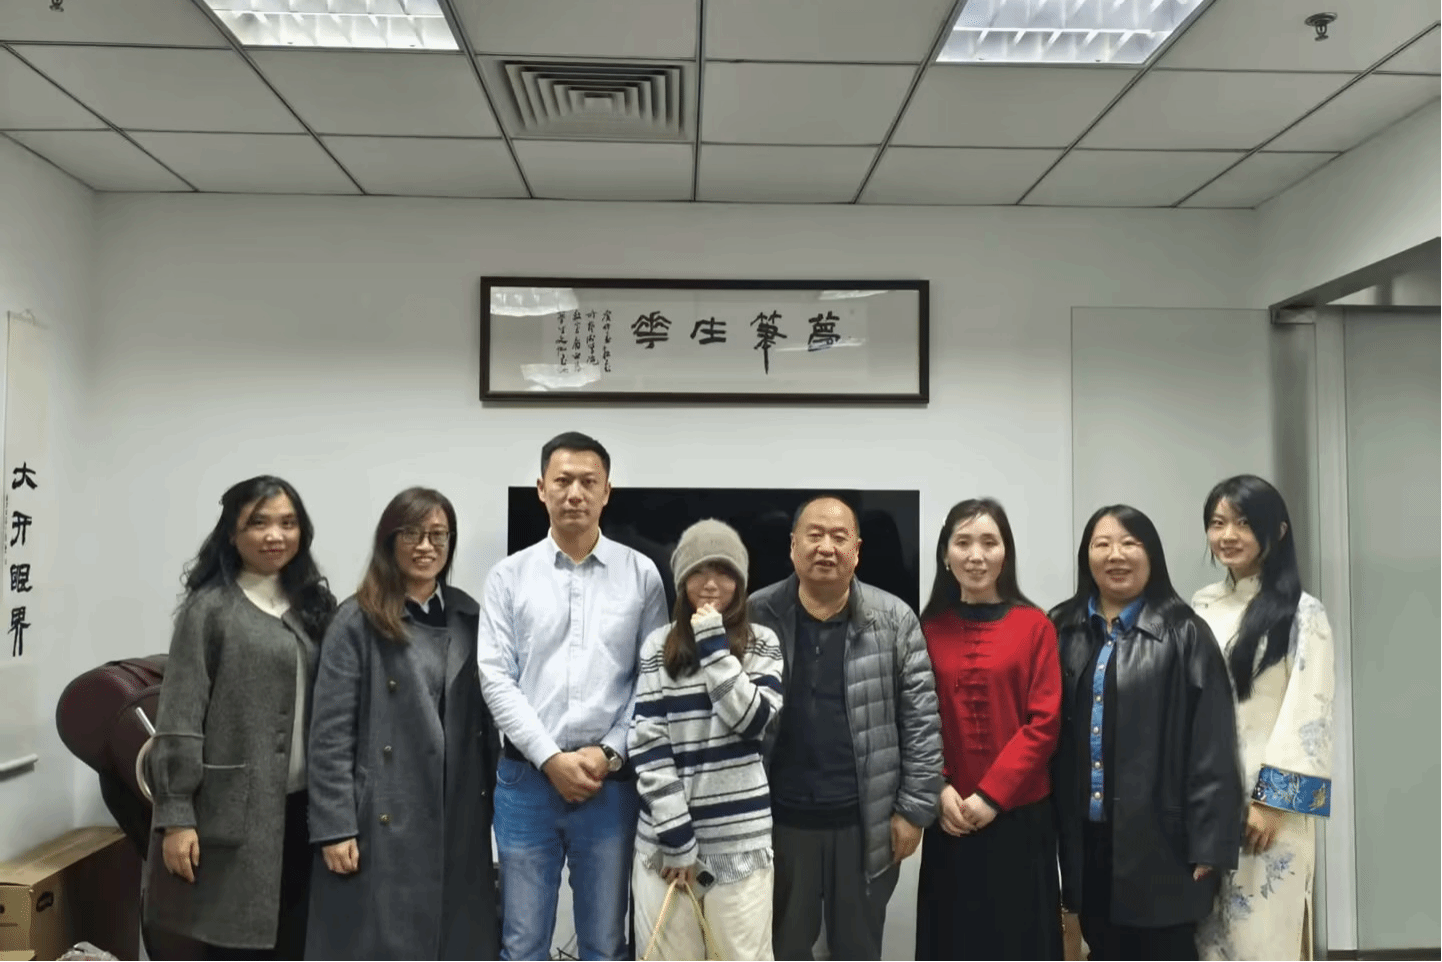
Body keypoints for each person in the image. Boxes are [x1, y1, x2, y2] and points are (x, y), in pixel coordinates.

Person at [478, 431, 668, 961]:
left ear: (608, 491)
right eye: (562, 481)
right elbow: (495, 678)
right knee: (522, 943)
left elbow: (651, 679)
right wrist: (550, 758)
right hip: (525, 782)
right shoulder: (508, 577)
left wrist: (609, 753)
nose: (575, 493)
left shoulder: (642, 575)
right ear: (541, 489)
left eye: (588, 482)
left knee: (605, 944)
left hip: (608, 786)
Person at [144, 475, 336, 960]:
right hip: (233, 814)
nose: (275, 535)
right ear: (232, 533)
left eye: (288, 523)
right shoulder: (209, 609)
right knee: (237, 946)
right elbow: (180, 716)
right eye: (259, 523)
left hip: (305, 810)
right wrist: (175, 817)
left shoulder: (314, 607)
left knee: (299, 940)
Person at [306, 487, 500, 959]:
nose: (426, 546)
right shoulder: (357, 619)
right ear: (389, 540)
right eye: (412, 533)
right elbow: (329, 736)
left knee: (456, 941)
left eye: (438, 534)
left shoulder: (469, 615)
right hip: (383, 814)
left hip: (458, 811)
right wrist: (334, 827)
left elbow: (486, 725)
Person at [748, 494, 943, 962]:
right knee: (783, 946)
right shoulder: (757, 613)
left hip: (864, 823)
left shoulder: (894, 619)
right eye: (814, 535)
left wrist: (914, 811)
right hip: (780, 820)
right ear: (793, 545)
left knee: (858, 948)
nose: (826, 547)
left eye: (839, 537)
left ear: (857, 550)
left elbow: (921, 722)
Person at [1051, 504, 1243, 962]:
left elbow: (1213, 742)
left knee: (1164, 948)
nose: (1115, 555)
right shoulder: (1061, 627)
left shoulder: (1186, 632)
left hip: (1163, 839)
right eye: (1102, 544)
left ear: (1151, 554)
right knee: (1104, 945)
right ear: (1086, 556)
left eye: (1129, 543)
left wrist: (1210, 841)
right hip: (1087, 836)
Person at [1192, 476, 1334, 961]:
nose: (1228, 535)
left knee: (1261, 935)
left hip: (1267, 805)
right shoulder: (1200, 605)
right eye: (1218, 523)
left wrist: (1273, 803)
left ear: (1278, 530)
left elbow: (1310, 708)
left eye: (1244, 523)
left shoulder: (1303, 613)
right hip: (1208, 796)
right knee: (1206, 934)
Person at [915, 498, 1063, 961]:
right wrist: (939, 788)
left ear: (1006, 553)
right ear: (945, 554)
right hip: (950, 816)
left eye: (989, 542)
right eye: (963, 542)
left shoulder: (1036, 626)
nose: (976, 555)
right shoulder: (926, 629)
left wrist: (992, 796)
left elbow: (1044, 723)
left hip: (1020, 817)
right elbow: (916, 720)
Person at [630, 519, 784, 961]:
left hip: (740, 844)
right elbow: (647, 743)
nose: (711, 583)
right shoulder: (658, 646)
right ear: (682, 580)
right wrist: (677, 839)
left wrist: (714, 646)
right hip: (665, 844)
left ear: (741, 580)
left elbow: (751, 720)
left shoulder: (762, 644)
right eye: (698, 571)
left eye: (724, 571)